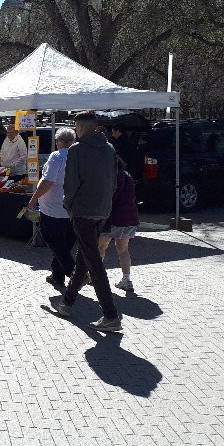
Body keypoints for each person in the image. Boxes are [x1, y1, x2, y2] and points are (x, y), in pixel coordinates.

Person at [50, 111, 122, 332]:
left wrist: (68, 205)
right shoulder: (109, 148)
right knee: (85, 255)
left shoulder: (77, 150)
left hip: (83, 210)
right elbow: (113, 181)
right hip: (103, 209)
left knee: (93, 262)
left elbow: (71, 184)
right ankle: (67, 302)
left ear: (80, 127)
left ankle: (110, 314)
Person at [28, 128, 77, 289]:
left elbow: (47, 182)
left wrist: (34, 198)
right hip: (73, 208)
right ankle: (57, 276)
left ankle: (75, 274)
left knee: (54, 241)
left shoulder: (57, 156)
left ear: (59, 142)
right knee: (65, 243)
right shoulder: (79, 156)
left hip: (54, 208)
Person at [99, 158, 139, 293]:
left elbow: (110, 198)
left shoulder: (115, 178)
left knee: (101, 246)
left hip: (114, 219)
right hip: (130, 219)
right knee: (123, 250)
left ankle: (95, 277)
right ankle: (127, 280)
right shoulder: (128, 176)